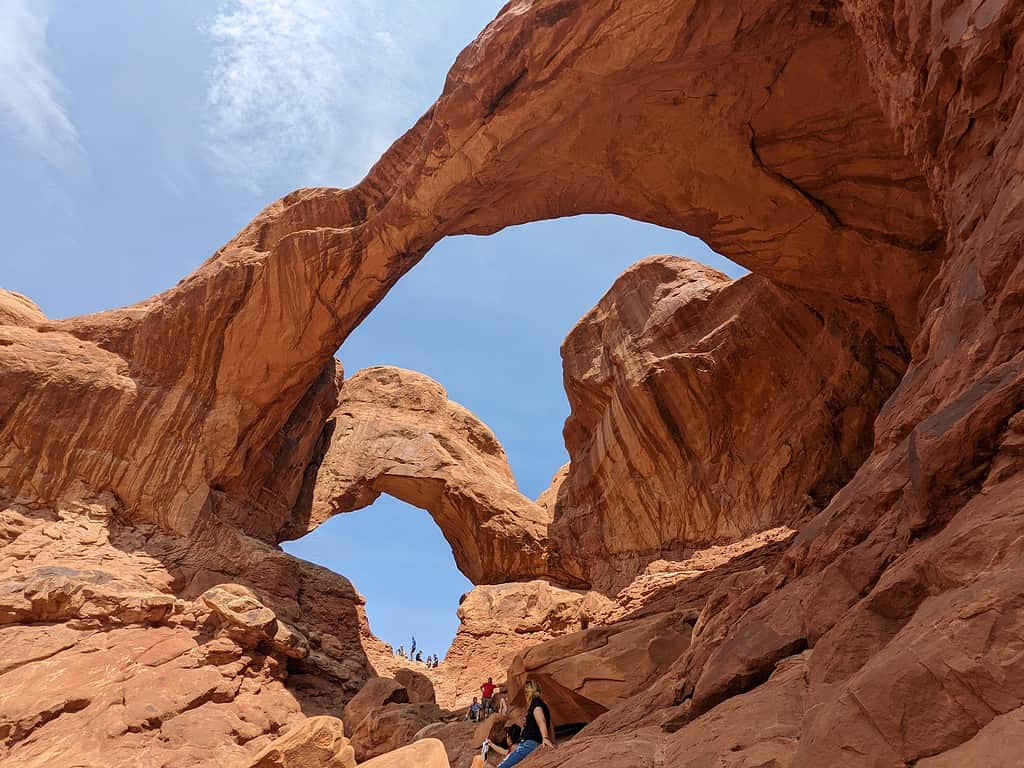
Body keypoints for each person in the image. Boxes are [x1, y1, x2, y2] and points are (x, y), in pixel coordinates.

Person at [490, 680, 554, 767]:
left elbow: (541, 720)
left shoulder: (536, 704)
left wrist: (545, 738)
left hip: (530, 743)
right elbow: (549, 725)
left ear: (528, 692)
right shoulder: (542, 705)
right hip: (530, 743)